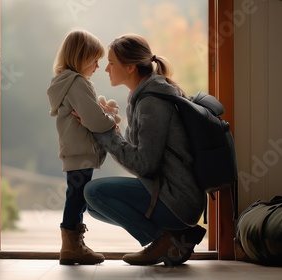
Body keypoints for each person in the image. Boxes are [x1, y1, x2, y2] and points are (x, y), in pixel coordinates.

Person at [83, 34, 207, 266]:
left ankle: (163, 241)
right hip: (170, 193)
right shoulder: (143, 96)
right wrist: (110, 127)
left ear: (129, 67)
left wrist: (103, 132)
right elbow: (139, 155)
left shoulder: (153, 102)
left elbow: (144, 165)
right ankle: (177, 238)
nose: (106, 69)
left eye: (111, 63)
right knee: (92, 205)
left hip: (177, 199)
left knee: (94, 192)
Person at [46, 29, 116, 265]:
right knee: (76, 197)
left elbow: (89, 115)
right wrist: (113, 121)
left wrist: (97, 114)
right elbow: (95, 120)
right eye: (95, 60)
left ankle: (72, 245)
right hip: (82, 151)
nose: (98, 67)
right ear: (81, 58)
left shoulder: (64, 82)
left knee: (75, 196)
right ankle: (72, 246)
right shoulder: (78, 83)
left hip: (74, 150)